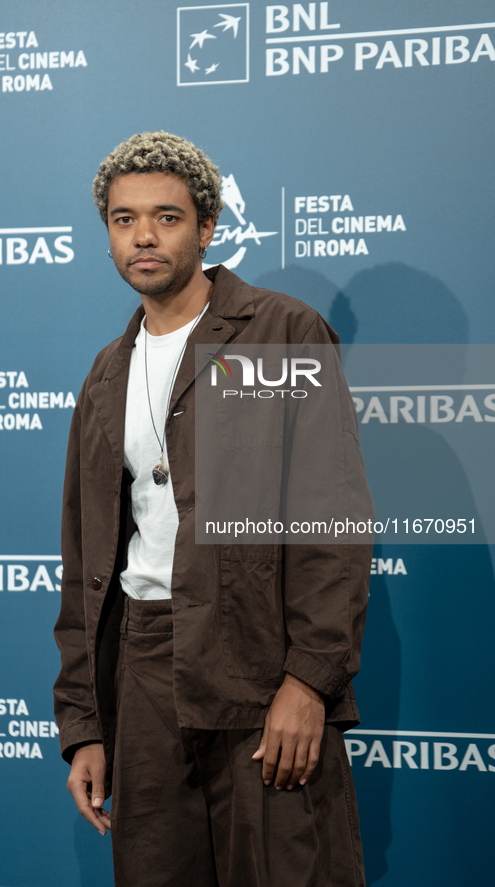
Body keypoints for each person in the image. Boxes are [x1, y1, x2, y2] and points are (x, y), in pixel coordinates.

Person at [53, 131, 373, 887]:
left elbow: (331, 520)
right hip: (142, 663)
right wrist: (86, 726)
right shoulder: (107, 371)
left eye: (165, 217)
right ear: (106, 235)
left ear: (206, 226)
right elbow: (85, 559)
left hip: (259, 663)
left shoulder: (278, 331)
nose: (143, 236)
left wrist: (309, 682)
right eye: (123, 219)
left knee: (288, 871)